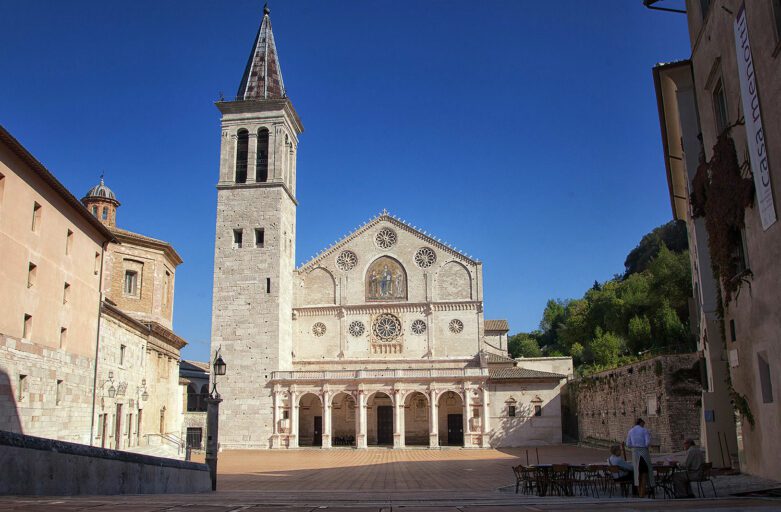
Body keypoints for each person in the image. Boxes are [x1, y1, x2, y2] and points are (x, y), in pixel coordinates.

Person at [626, 418, 654, 497]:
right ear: (641, 423)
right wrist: (644, 446)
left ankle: (639, 492)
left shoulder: (630, 431)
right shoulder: (644, 430)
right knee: (645, 472)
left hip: (635, 452)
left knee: (637, 473)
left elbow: (628, 444)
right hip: (643, 451)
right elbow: (648, 442)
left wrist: (634, 447)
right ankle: (643, 491)